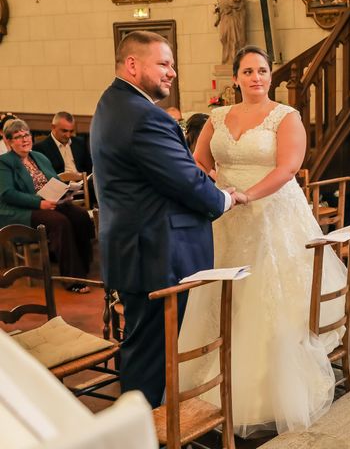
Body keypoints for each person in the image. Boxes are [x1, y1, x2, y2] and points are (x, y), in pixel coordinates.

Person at [180, 45, 350, 437]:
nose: (256, 77)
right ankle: (213, 377)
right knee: (226, 296)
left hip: (273, 213)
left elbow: (288, 167)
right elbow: (198, 159)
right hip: (229, 216)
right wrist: (220, 186)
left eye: (262, 70)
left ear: (269, 76)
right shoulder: (217, 116)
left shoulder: (285, 116)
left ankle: (268, 390)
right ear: (236, 78)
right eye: (247, 71)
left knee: (270, 297)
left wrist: (250, 193)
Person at [90, 30, 239, 408]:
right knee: (149, 354)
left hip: (139, 247)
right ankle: (143, 432)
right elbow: (186, 181)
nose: (171, 72)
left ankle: (149, 425)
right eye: (163, 64)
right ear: (133, 64)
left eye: (172, 64)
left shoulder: (112, 103)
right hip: (156, 252)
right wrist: (223, 199)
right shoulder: (143, 117)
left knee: (145, 346)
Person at [0, 119, 94, 294]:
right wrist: (39, 202)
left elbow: (54, 181)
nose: (24, 139)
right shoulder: (4, 162)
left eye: (26, 135)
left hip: (49, 202)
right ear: (9, 141)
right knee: (60, 222)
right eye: (18, 137)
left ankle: (83, 268)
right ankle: (72, 279)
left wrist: (66, 193)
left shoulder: (39, 157)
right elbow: (7, 194)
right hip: (22, 210)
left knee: (80, 216)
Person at [214, 0, 246, 65]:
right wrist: (226, 5)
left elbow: (241, 5)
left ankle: (235, 59)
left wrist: (231, 4)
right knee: (223, 37)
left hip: (234, 18)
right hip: (225, 18)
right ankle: (226, 59)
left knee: (235, 39)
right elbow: (222, 3)